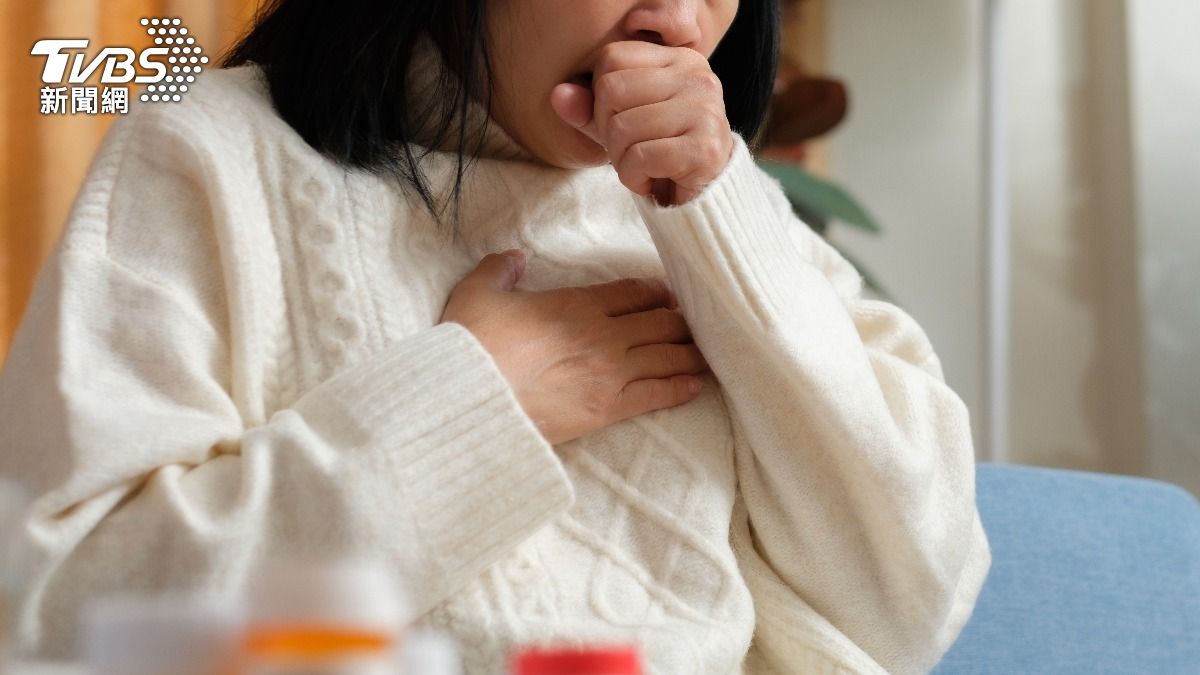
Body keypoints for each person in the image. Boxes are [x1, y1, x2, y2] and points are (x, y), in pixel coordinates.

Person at [0, 0, 991, 672]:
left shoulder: (729, 216)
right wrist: (473, 407)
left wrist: (721, 223)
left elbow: (910, 601)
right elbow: (58, 616)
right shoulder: (206, 153)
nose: (683, 21)